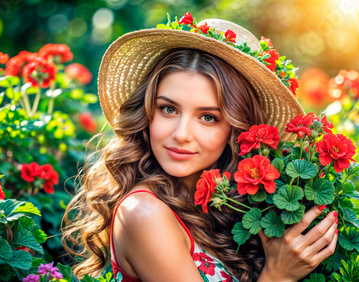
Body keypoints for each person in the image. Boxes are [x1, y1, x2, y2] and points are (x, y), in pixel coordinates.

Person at [62, 15, 338, 282]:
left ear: (239, 129)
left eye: (208, 117)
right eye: (168, 109)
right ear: (146, 112)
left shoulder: (227, 207)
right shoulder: (144, 213)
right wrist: (279, 276)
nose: (181, 134)